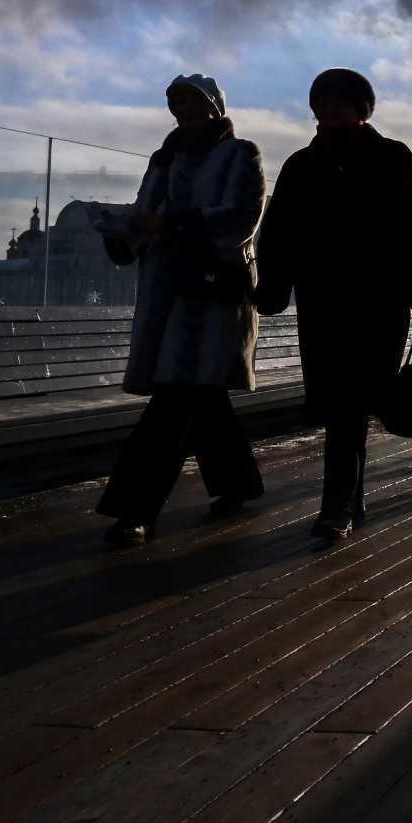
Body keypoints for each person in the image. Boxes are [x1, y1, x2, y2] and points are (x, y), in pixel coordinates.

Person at [255, 68, 412, 541]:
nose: (332, 110)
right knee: (343, 401)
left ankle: (341, 503)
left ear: (362, 109)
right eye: (325, 102)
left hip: (380, 300)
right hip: (325, 300)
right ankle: (341, 502)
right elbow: (277, 234)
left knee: (356, 396)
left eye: (342, 102)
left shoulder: (393, 157)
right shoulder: (301, 165)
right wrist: (272, 287)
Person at [93, 74, 266, 546]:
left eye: (194, 101)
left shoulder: (240, 154)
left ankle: (134, 508)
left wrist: (164, 225)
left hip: (209, 297)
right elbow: (145, 218)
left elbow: (241, 220)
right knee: (203, 397)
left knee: (173, 400)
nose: (184, 109)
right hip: (165, 297)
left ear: (215, 106)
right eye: (178, 102)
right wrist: (119, 229)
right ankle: (237, 484)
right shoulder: (162, 159)